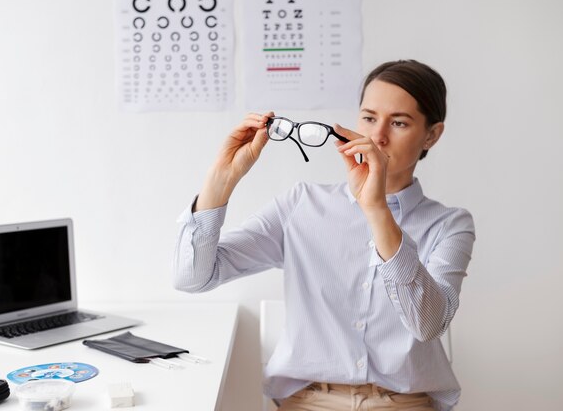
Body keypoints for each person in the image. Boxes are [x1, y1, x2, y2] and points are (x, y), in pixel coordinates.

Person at [173, 60, 475, 411]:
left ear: (432, 135)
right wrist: (221, 179)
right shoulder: (301, 205)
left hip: (403, 403)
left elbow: (428, 325)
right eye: (369, 117)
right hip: (308, 401)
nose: (378, 136)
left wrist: (376, 209)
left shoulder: (450, 224)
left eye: (399, 122)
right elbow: (192, 278)